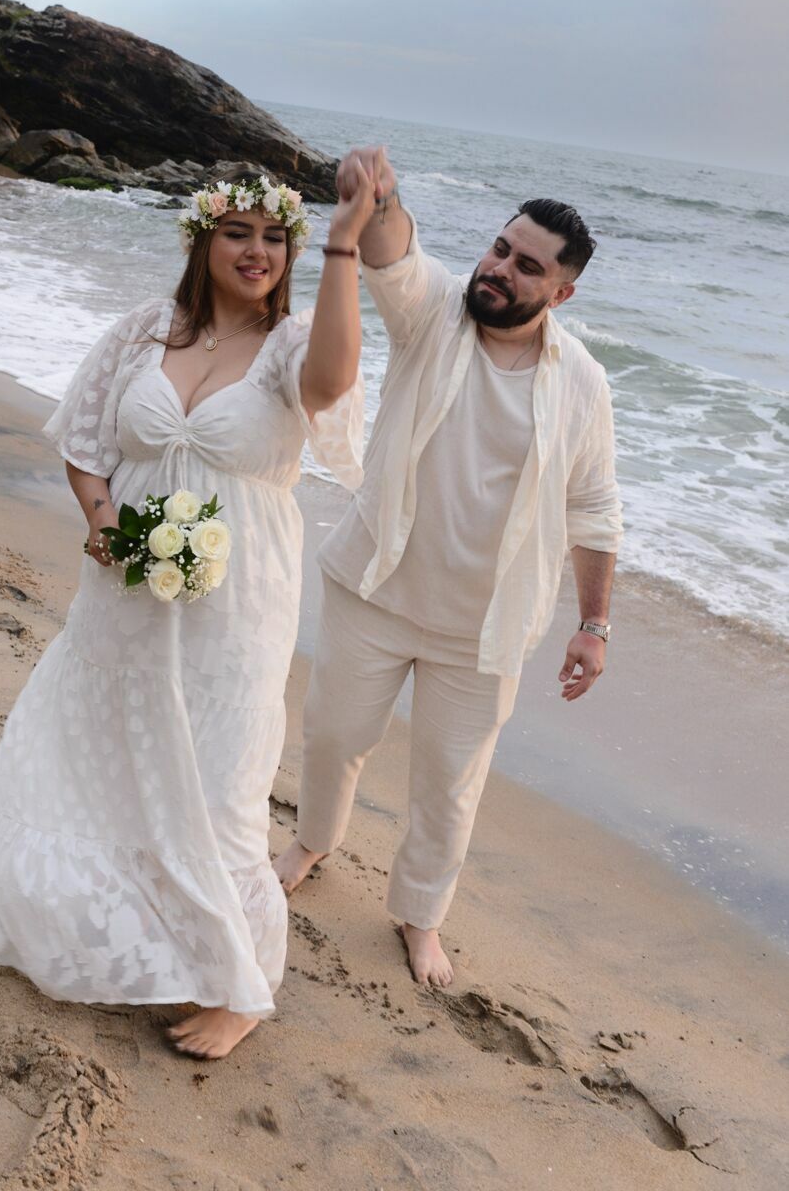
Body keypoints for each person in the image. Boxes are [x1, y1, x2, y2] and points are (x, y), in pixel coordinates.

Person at [0, 169, 371, 1059]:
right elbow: (86, 444)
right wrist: (101, 525)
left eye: (272, 237)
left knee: (221, 777)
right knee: (104, 745)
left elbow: (334, 380)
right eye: (236, 232)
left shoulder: (289, 347)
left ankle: (239, 984)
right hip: (124, 583)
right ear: (201, 241)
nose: (255, 250)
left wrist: (344, 240)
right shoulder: (143, 330)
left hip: (235, 594)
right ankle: (93, 926)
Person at [274, 144, 622, 990]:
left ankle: (419, 916)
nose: (499, 268)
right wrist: (377, 196)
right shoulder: (437, 312)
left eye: (525, 265)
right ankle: (312, 841)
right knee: (333, 735)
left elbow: (594, 507)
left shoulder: (581, 381)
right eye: (499, 248)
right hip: (375, 586)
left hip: (485, 623)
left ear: (561, 291)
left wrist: (592, 625)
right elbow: (392, 255)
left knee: (448, 780)